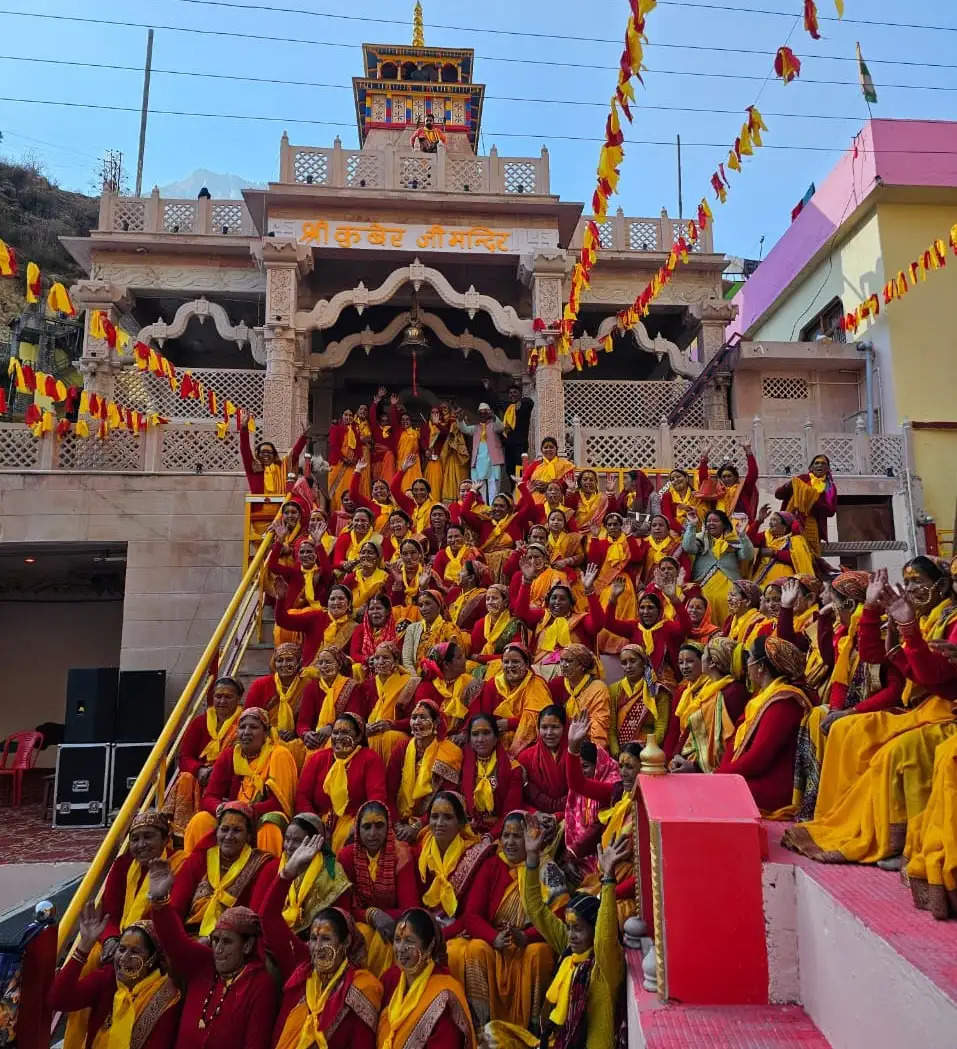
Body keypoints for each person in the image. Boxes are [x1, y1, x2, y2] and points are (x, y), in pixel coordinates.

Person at [784, 560, 957, 866]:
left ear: (941, 587)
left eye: (917, 582)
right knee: (843, 731)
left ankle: (898, 841)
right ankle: (836, 817)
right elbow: (876, 658)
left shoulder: (946, 620)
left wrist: (906, 630)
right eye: (908, 583)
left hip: (938, 711)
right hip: (920, 708)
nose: (912, 590)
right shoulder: (923, 617)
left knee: (891, 752)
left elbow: (931, 679)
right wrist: (875, 611)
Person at [482, 818, 625, 1049]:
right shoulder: (568, 950)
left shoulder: (605, 964)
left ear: (594, 928)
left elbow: (606, 936)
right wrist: (531, 859)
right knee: (492, 1035)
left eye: (578, 929)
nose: (572, 935)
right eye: (569, 928)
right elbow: (536, 909)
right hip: (554, 1042)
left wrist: (607, 879)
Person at [59, 811, 183, 1049]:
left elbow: (174, 912)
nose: (141, 845)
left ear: (166, 838)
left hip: (156, 943)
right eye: (135, 839)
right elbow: (111, 915)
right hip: (121, 941)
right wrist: (110, 939)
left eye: (149, 837)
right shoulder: (123, 865)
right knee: (90, 960)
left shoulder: (179, 863)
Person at [265, 833, 383, 1049]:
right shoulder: (302, 965)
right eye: (313, 938)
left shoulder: (362, 988)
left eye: (326, 938)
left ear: (346, 942)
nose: (317, 947)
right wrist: (287, 874)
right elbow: (269, 918)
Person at [149, 863, 277, 1049]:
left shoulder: (260, 984)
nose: (218, 948)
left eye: (227, 942)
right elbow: (174, 941)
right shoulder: (203, 963)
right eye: (215, 940)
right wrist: (160, 900)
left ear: (247, 945)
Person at [452, 812, 557, 1028]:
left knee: (541, 955)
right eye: (505, 836)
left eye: (517, 836)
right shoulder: (492, 866)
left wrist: (525, 937)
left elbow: (560, 918)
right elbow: (472, 915)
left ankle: (534, 1028)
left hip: (528, 944)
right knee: (475, 949)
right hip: (497, 943)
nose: (509, 842)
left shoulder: (547, 869)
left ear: (531, 837)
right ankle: (482, 1025)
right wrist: (494, 938)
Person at [414, 793, 496, 1018]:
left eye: (447, 817)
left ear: (461, 823)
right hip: (428, 926)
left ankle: (471, 1020)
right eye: (435, 816)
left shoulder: (475, 855)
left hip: (461, 929)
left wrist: (441, 935)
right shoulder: (419, 851)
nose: (439, 823)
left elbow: (471, 913)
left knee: (461, 953)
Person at [50, 909, 181, 1049]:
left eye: (135, 952)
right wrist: (84, 947)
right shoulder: (108, 978)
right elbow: (58, 999)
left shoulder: (166, 996)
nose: (124, 959)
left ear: (152, 958)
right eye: (122, 949)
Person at [716, 635, 811, 817]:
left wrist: (720, 777)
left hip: (773, 787)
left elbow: (758, 758)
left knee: (712, 796)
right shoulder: (764, 696)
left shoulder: (784, 703)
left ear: (761, 667)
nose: (747, 664)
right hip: (753, 777)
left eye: (749, 658)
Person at [185, 708, 297, 856]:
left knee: (271, 824)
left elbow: (280, 803)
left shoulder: (279, 754)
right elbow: (210, 797)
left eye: (254, 727)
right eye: (242, 727)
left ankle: (268, 872)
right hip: (230, 815)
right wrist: (221, 808)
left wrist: (246, 811)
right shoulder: (230, 755)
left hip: (261, 816)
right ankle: (194, 869)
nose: (246, 732)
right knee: (200, 820)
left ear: (266, 732)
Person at [564, 716, 640, 922]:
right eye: (621, 766)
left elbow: (645, 873)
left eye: (630, 767)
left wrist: (606, 893)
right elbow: (578, 784)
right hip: (606, 878)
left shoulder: (650, 807)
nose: (623, 772)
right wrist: (572, 748)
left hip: (628, 889)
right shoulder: (619, 793)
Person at [339, 801, 421, 978]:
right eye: (366, 827)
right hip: (362, 923)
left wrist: (385, 918)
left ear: (388, 827)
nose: (373, 834)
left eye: (379, 826)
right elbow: (344, 909)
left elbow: (411, 909)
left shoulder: (401, 855)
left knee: (386, 941)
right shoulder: (346, 857)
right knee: (363, 933)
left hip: (396, 924)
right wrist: (372, 915)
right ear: (358, 829)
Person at [171, 801, 277, 935]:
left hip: (235, 942)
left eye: (237, 830)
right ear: (217, 832)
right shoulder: (201, 858)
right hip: (190, 936)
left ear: (248, 836)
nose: (228, 837)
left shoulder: (261, 864)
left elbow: (254, 918)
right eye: (224, 829)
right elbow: (176, 904)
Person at [378, 907, 476, 1049]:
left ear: (429, 946)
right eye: (397, 940)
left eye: (409, 941)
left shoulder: (445, 995)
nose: (401, 948)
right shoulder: (390, 979)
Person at [295, 713, 387, 850]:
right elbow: (302, 796)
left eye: (345, 732)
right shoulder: (317, 759)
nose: (338, 737)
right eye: (335, 733)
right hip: (318, 821)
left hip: (354, 821)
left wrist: (358, 825)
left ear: (359, 736)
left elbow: (377, 798)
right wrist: (314, 824)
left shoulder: (370, 759)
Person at [167, 678, 243, 842]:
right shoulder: (200, 722)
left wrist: (217, 769)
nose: (222, 701)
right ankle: (183, 832)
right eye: (218, 696)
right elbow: (185, 757)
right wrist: (199, 769)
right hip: (202, 773)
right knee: (186, 778)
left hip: (230, 773)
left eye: (228, 697)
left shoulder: (244, 723)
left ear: (238, 699)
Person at [388, 699, 464, 839]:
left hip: (432, 820)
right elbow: (390, 790)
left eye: (423, 717)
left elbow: (448, 796)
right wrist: (397, 825)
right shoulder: (402, 748)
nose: (417, 722)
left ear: (435, 723)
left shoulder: (450, 752)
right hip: (398, 820)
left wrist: (417, 826)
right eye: (414, 717)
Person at [670, 636, 746, 774]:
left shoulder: (734, 692)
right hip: (688, 763)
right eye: (680, 662)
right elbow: (690, 730)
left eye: (703, 654)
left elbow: (727, 742)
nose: (684, 666)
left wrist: (695, 768)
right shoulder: (709, 690)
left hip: (709, 771)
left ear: (712, 662)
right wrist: (676, 756)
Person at [514, 565, 605, 675]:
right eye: (554, 598)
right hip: (541, 668)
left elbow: (597, 624)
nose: (557, 602)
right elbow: (521, 613)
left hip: (575, 671)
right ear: (548, 602)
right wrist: (526, 583)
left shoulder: (580, 619)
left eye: (562, 599)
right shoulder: (542, 616)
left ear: (571, 604)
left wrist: (589, 591)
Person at [469, 643, 554, 756]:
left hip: (528, 742)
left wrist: (510, 724)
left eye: (515, 662)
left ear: (527, 664)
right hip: (494, 736)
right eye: (506, 662)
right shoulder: (493, 684)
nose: (510, 666)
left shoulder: (535, 684)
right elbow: (485, 716)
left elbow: (541, 719)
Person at [244, 643, 319, 769]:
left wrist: (295, 733)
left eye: (289, 660)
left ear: (299, 662)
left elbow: (311, 720)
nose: (284, 664)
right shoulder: (260, 685)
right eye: (280, 660)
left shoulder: (308, 685)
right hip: (265, 737)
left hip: (298, 739)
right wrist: (273, 732)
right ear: (274, 663)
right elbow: (247, 717)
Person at [603, 584, 690, 690]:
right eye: (642, 608)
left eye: (650, 608)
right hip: (638, 681)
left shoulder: (667, 627)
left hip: (664, 683)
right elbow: (608, 624)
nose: (645, 612)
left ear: (659, 611)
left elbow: (686, 627)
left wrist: (674, 599)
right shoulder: (634, 627)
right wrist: (613, 599)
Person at [276, 813, 351, 935]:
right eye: (287, 839)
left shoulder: (332, 873)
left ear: (315, 842)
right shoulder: (277, 866)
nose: (289, 847)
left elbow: (341, 919)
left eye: (297, 841)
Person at [681, 508, 756, 626]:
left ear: (724, 524)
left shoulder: (733, 540)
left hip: (730, 585)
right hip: (704, 585)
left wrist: (742, 534)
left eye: (715, 521)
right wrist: (692, 525)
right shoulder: (701, 538)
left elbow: (747, 555)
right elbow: (688, 547)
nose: (711, 523)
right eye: (708, 521)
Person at [460, 714, 524, 839]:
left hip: (502, 832)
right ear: (470, 740)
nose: (480, 739)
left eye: (486, 733)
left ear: (496, 738)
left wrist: (491, 836)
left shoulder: (513, 769)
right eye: (475, 734)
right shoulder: (462, 763)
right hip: (469, 828)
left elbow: (510, 811)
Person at [359, 641, 420, 763]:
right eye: (376, 658)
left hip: (398, 732)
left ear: (396, 661)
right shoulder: (367, 685)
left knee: (389, 737)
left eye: (386, 658)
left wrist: (391, 724)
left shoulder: (409, 684)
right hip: (372, 731)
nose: (380, 662)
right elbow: (359, 714)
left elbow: (415, 718)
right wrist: (364, 727)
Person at [607, 643, 671, 755]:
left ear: (643, 662)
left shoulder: (657, 691)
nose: (628, 666)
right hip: (620, 754)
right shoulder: (613, 690)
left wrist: (644, 751)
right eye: (624, 663)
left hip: (647, 752)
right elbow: (611, 727)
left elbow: (660, 728)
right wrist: (617, 753)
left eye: (633, 661)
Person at [274, 582, 357, 667]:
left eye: (341, 598)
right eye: (332, 599)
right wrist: (280, 599)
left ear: (349, 604)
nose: (336, 602)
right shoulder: (315, 617)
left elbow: (354, 656)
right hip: (309, 673)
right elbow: (283, 620)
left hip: (337, 675)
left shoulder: (354, 627)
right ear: (327, 603)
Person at [547, 644, 611, 749]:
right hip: (560, 742)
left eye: (569, 661)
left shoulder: (598, 688)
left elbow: (599, 724)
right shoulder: (556, 684)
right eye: (562, 660)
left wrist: (593, 752)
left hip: (587, 744)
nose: (563, 665)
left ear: (582, 666)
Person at [296, 646, 359, 751]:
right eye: (320, 663)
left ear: (339, 665)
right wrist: (306, 733)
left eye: (328, 662)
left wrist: (331, 728)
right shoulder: (312, 688)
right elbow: (303, 722)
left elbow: (353, 718)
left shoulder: (352, 686)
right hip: (317, 737)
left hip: (343, 736)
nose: (323, 666)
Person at [774, 453, 838, 556]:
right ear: (811, 467)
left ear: (828, 468)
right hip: (792, 520)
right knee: (789, 551)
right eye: (816, 463)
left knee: (810, 555)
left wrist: (813, 499)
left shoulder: (830, 488)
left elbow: (831, 511)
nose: (820, 465)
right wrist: (789, 485)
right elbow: (778, 495)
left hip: (812, 523)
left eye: (823, 463)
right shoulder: (801, 479)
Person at [415, 642, 480, 736]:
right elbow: (423, 721)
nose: (464, 660)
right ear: (446, 664)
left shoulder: (470, 683)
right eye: (459, 657)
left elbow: (476, 715)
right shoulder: (427, 688)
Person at [516, 706, 568, 815]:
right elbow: (521, 800)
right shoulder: (525, 757)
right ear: (538, 729)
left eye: (555, 727)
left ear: (565, 728)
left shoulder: (575, 756)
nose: (549, 732)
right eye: (544, 727)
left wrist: (558, 816)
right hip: (536, 817)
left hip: (569, 815)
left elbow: (578, 796)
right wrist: (537, 815)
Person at [469, 584, 528, 677]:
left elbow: (516, 655)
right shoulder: (480, 624)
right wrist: (479, 659)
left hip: (506, 666)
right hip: (481, 665)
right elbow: (473, 655)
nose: (490, 602)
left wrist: (482, 658)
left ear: (505, 602)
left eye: (494, 598)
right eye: (488, 599)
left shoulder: (514, 624)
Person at [401, 590, 465, 674]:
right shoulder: (412, 629)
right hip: (415, 678)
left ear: (439, 606)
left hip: (442, 677)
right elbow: (406, 659)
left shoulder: (450, 628)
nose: (423, 608)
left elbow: (456, 658)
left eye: (427, 603)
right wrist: (415, 678)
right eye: (420, 605)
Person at [455, 402, 506, 503]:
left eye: (485, 412)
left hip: (493, 459)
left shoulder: (494, 425)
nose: (483, 415)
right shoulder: (475, 428)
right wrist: (460, 420)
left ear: (489, 413)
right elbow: (464, 429)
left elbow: (501, 427)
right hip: (479, 460)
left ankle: (494, 508)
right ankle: (481, 507)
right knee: (479, 486)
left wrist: (494, 416)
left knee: (493, 487)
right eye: (481, 413)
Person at [750, 506, 815, 585]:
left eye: (774, 520)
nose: (770, 523)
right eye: (770, 519)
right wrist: (758, 521)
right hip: (762, 577)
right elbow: (749, 540)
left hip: (784, 580)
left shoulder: (795, 540)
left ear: (785, 526)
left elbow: (797, 557)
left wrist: (775, 553)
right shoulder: (766, 535)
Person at [695, 440, 759, 520]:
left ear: (735, 477)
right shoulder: (716, 491)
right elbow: (703, 480)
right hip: (719, 526)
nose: (726, 479)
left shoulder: (743, 489)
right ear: (720, 478)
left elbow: (753, 474)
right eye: (724, 477)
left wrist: (748, 451)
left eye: (729, 476)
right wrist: (704, 457)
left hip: (740, 526)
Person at [350, 592, 400, 679]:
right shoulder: (360, 629)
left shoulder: (397, 629)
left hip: (391, 668)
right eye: (372, 609)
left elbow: (400, 654)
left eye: (379, 608)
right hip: (366, 670)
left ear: (388, 611)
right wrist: (368, 659)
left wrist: (384, 660)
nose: (375, 612)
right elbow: (354, 654)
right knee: (356, 668)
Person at [499, 383, 535, 489]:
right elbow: (495, 402)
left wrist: (521, 401)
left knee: (520, 468)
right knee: (509, 469)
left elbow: (530, 402)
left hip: (520, 444)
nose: (512, 395)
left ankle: (521, 490)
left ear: (520, 394)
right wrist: (489, 388)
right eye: (510, 393)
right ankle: (513, 490)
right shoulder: (508, 406)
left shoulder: (524, 405)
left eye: (515, 392)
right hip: (509, 444)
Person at [521, 437, 575, 505]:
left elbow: (569, 482)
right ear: (541, 450)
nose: (548, 449)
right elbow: (524, 481)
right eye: (545, 447)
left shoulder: (566, 465)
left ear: (556, 449)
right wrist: (534, 485)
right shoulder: (534, 465)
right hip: (535, 501)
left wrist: (549, 486)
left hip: (557, 500)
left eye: (551, 447)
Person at [327, 409, 360, 511]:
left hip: (351, 466)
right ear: (342, 416)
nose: (348, 417)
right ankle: (336, 512)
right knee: (336, 489)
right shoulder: (335, 428)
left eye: (351, 415)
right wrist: (344, 458)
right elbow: (334, 446)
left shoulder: (355, 431)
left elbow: (358, 447)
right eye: (346, 415)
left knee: (350, 488)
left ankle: (350, 513)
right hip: (338, 464)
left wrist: (355, 459)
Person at [723, 580, 771, 647]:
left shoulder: (758, 621)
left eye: (733, 595)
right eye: (729, 594)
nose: (728, 599)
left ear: (748, 601)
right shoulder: (730, 619)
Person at [659, 467, 703, 534]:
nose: (675, 480)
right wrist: (682, 531)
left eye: (678, 477)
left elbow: (704, 511)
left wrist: (692, 510)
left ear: (686, 478)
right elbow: (667, 517)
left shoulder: (695, 495)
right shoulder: (667, 496)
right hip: (675, 532)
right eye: (672, 479)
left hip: (696, 532)